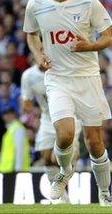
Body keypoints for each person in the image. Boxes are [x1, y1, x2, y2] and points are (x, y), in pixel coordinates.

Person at [23, 0, 112, 206]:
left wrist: (89, 46)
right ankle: (64, 172)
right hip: (58, 78)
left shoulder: (88, 1)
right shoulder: (35, 5)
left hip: (87, 77)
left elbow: (108, 38)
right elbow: (31, 34)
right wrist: (38, 53)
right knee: (64, 135)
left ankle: (104, 192)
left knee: (94, 142)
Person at [21, 64, 82, 204]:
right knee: (47, 158)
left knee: (57, 158)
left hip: (69, 118)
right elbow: (26, 102)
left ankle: (74, 153)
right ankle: (62, 198)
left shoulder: (64, 68)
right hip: (47, 120)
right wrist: (30, 111)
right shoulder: (29, 76)